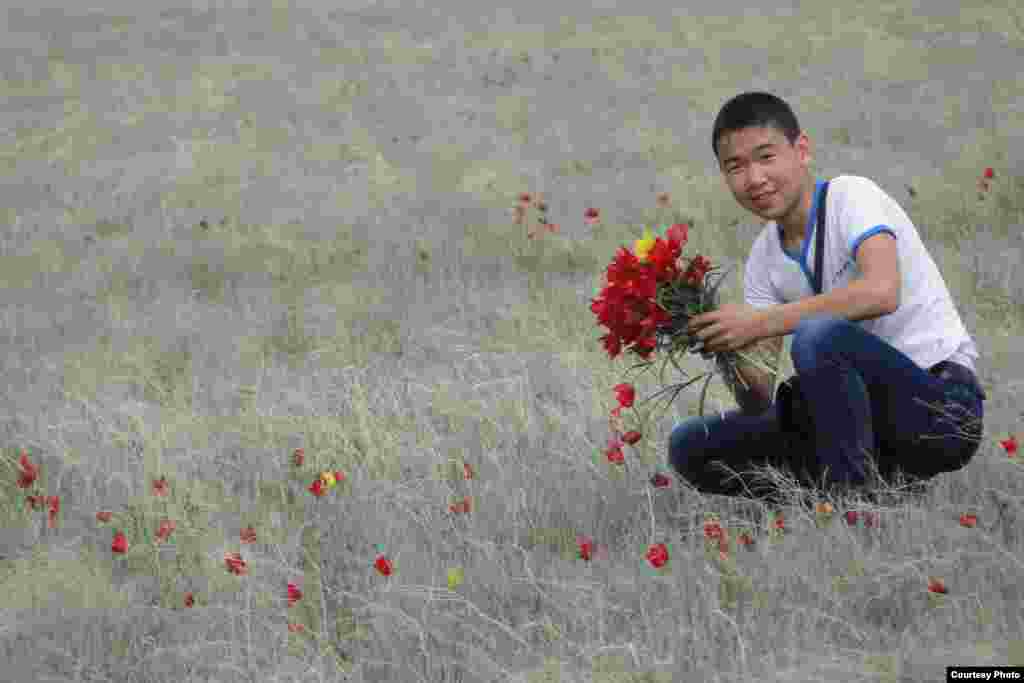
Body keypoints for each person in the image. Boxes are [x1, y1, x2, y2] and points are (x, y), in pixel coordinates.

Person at [667, 91, 987, 508]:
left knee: (817, 337)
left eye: (766, 157)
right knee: (690, 445)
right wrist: (722, 344)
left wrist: (759, 323)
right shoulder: (764, 258)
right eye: (735, 166)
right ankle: (857, 492)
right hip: (854, 421)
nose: (754, 178)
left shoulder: (851, 196)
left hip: (939, 409)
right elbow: (758, 398)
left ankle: (853, 512)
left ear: (802, 150)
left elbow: (881, 291)